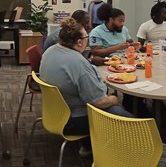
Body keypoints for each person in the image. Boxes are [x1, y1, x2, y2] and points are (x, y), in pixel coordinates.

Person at [40, 18, 133, 156]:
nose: (87, 40)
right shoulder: (78, 63)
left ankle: (89, 145)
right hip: (73, 120)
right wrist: (114, 99)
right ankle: (126, 156)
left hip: (54, 112)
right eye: (86, 37)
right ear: (79, 42)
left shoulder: (50, 51)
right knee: (128, 119)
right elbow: (98, 102)